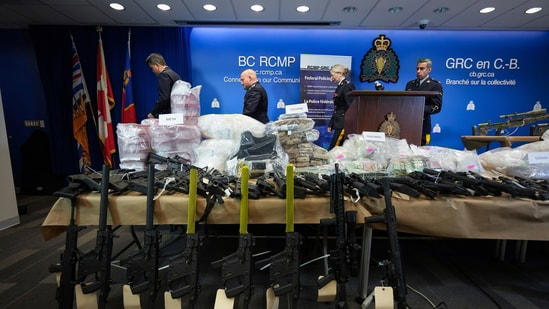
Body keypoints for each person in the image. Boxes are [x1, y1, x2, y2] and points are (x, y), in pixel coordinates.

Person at [405, 58, 443, 145]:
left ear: (429, 70)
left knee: (422, 152)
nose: (418, 71)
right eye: (417, 68)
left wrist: (417, 109)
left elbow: (436, 107)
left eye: (422, 69)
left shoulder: (435, 85)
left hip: (423, 126)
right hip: (407, 123)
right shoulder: (410, 84)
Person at [327, 64, 355, 150]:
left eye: (332, 75)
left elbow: (351, 107)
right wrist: (331, 124)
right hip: (339, 123)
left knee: (333, 149)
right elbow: (338, 107)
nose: (331, 77)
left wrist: (347, 123)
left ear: (339, 73)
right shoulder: (340, 86)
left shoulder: (347, 86)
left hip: (343, 124)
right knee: (336, 150)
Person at [146, 53, 181, 118]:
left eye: (152, 68)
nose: (152, 71)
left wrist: (153, 113)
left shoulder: (163, 75)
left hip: (169, 116)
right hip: (178, 113)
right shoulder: (174, 74)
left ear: (157, 65)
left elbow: (164, 98)